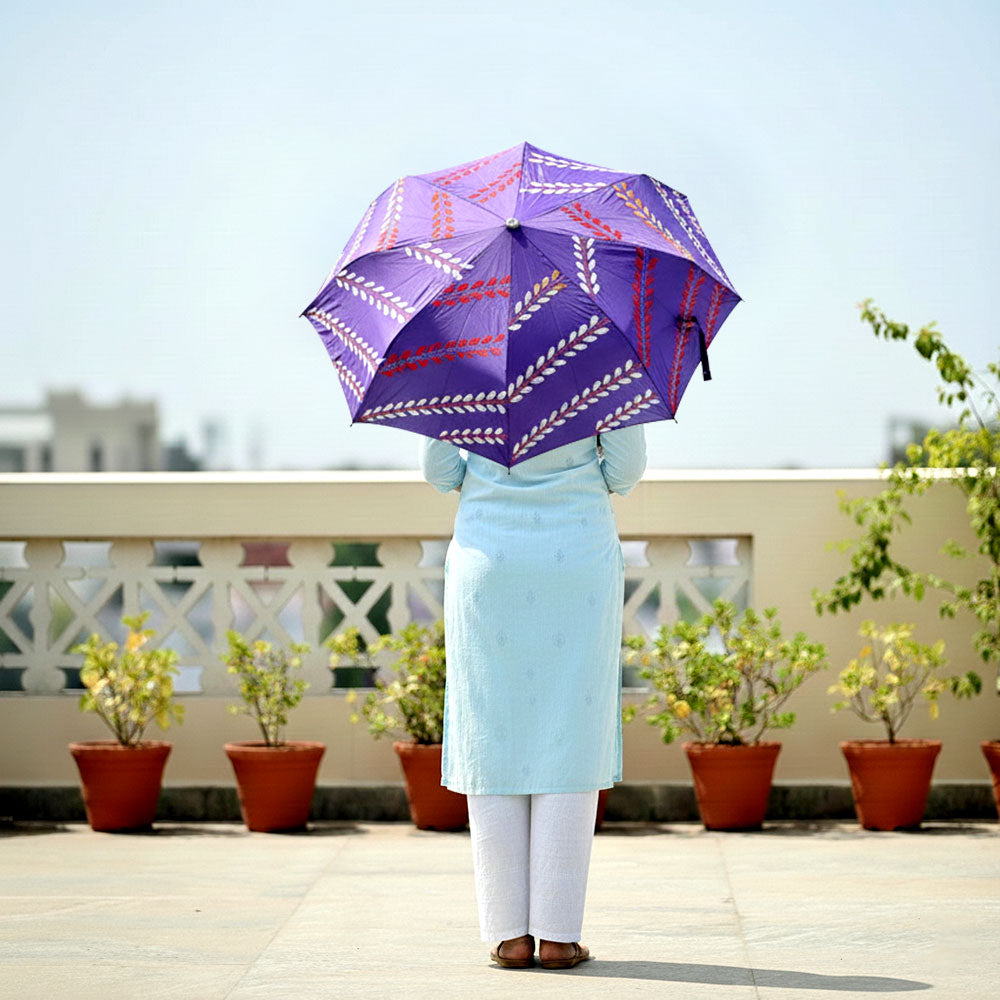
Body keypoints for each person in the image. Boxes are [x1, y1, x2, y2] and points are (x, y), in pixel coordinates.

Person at [420, 425, 647, 970]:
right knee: (571, 729)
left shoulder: (467, 373)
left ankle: (509, 937)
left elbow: (440, 471)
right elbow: (625, 471)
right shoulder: (597, 373)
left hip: (490, 560)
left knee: (490, 730)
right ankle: (558, 937)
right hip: (576, 561)